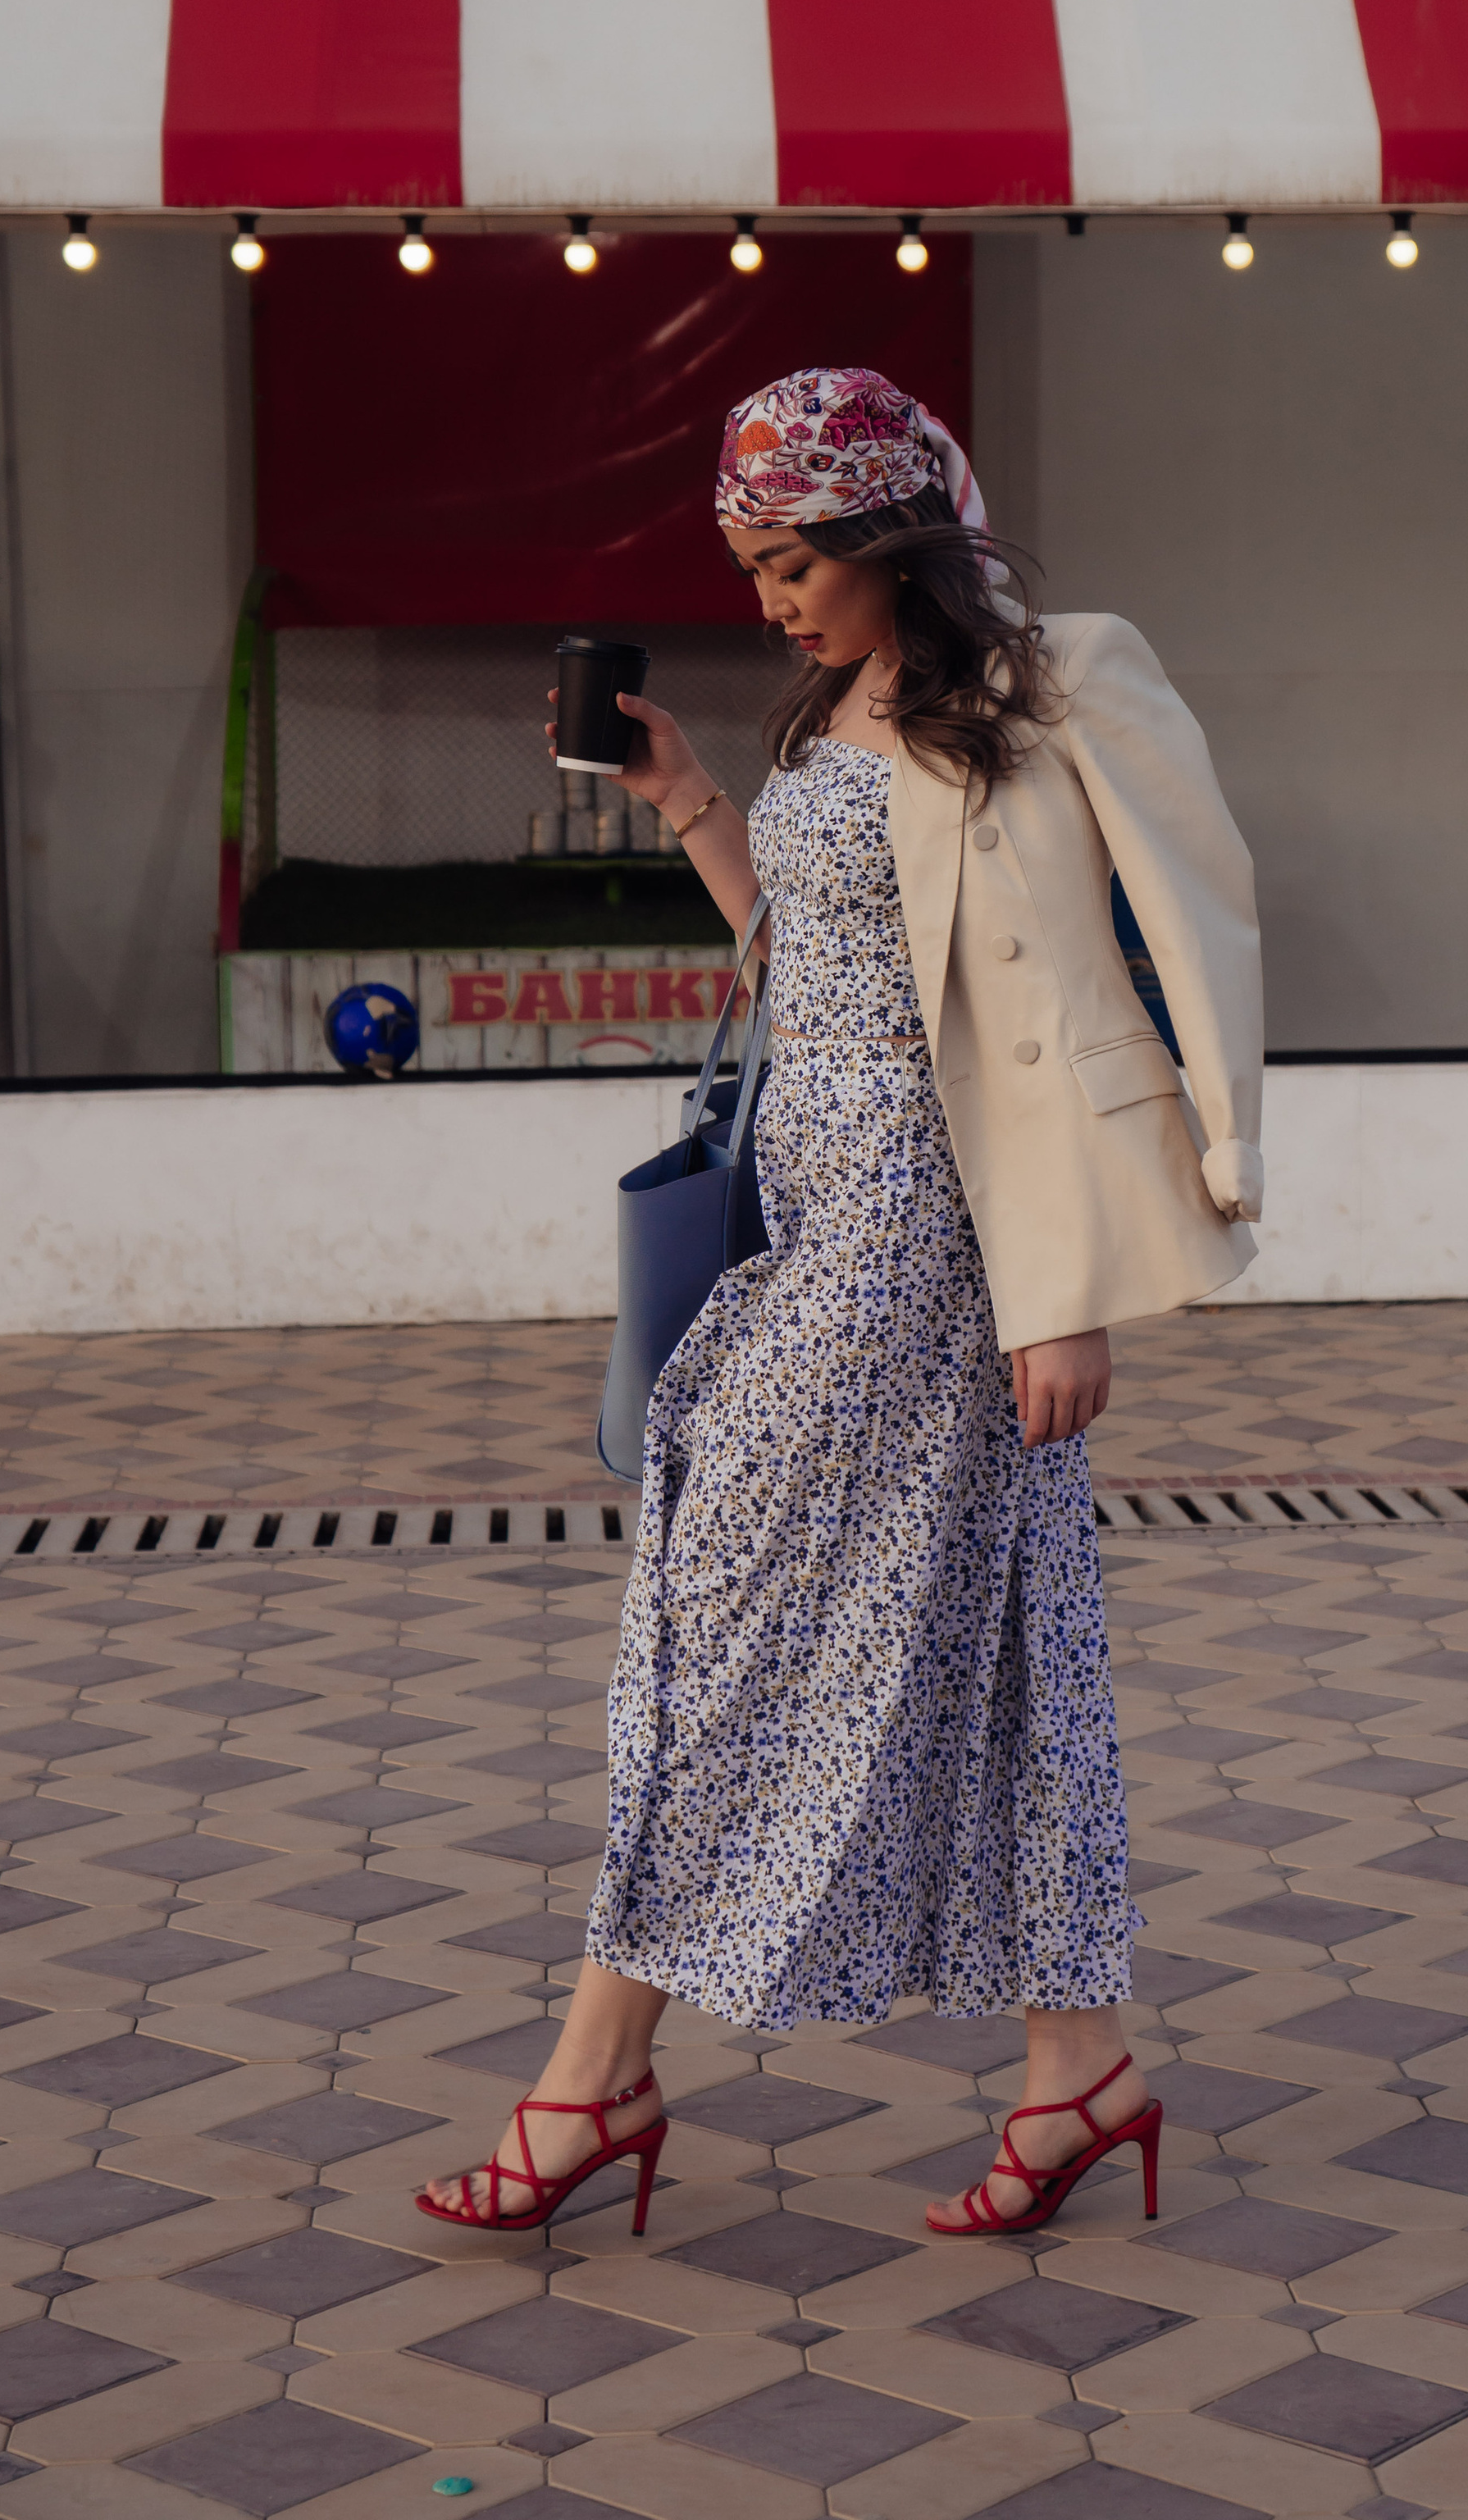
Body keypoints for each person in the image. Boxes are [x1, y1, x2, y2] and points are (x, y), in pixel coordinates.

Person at [419, 365, 1264, 2241]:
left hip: (928, 1249)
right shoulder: (839, 707)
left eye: (792, 558)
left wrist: (1071, 1288)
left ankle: (590, 2082)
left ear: (890, 531)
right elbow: (820, 975)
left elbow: (1094, 994)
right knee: (1008, 1651)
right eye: (746, 565)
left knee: (709, 1632)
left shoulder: (1041, 694)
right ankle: (1079, 2075)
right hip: (819, 1225)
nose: (768, 599)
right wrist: (692, 798)